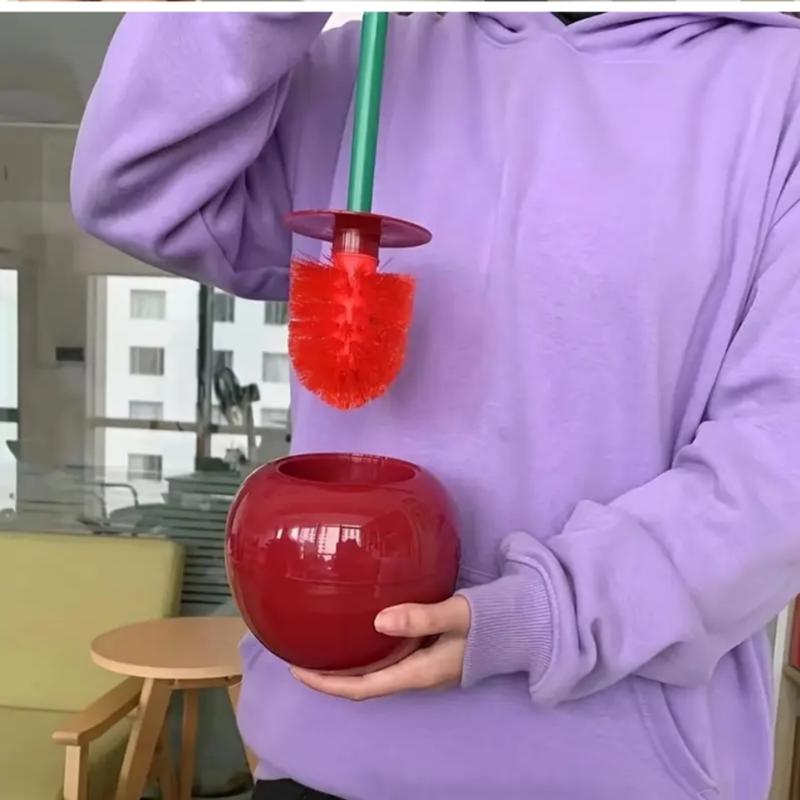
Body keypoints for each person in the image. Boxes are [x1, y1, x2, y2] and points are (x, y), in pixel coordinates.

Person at [72, 11, 800, 799]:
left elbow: (777, 462)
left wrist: (549, 613)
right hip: (322, 755)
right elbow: (138, 192)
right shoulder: (364, 64)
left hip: (619, 774)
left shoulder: (777, 90)